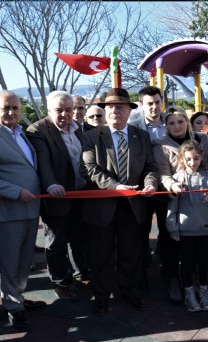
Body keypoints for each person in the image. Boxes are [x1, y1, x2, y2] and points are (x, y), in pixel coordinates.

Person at [81, 87, 158, 315]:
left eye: (121, 107)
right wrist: (117, 187)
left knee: (131, 252)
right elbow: (89, 169)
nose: (116, 111)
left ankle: (130, 289)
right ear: (105, 111)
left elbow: (150, 168)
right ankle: (102, 295)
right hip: (103, 207)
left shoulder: (140, 136)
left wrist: (151, 183)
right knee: (101, 254)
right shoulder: (91, 137)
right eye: (111, 107)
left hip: (133, 207)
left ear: (129, 110)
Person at [0, 90, 44, 331]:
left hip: (30, 209)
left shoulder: (21, 133)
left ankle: (18, 298)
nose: (12, 112)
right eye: (6, 108)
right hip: (6, 212)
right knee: (10, 262)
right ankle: (13, 307)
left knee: (24, 262)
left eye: (15, 107)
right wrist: (15, 191)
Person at [26, 91, 88, 302]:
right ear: (48, 110)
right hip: (57, 196)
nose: (64, 115)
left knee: (80, 238)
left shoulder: (80, 128)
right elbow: (43, 161)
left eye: (68, 110)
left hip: (82, 194)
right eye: (59, 110)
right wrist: (51, 184)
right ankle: (60, 282)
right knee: (57, 242)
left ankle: (82, 275)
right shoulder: (38, 130)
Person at [153, 108, 208, 302]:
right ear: (166, 126)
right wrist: (172, 185)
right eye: (171, 123)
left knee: (198, 245)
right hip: (173, 196)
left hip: (198, 199)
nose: (177, 126)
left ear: (187, 122)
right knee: (171, 240)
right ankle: (172, 278)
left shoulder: (203, 140)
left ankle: (196, 279)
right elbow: (162, 172)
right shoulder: (161, 145)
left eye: (180, 121)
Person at [166, 140, 208, 312]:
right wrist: (173, 228)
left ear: (201, 157)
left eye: (196, 158)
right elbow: (172, 207)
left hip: (205, 228)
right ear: (182, 159)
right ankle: (189, 293)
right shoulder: (177, 179)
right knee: (187, 263)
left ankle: (204, 292)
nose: (193, 162)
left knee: (204, 262)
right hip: (184, 231)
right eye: (189, 159)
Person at [128, 86, 167, 290]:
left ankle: (168, 269)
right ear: (141, 105)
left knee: (167, 228)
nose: (154, 107)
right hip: (142, 187)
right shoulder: (133, 127)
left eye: (157, 102)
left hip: (168, 187)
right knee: (140, 229)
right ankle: (142, 268)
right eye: (149, 103)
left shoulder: (172, 123)